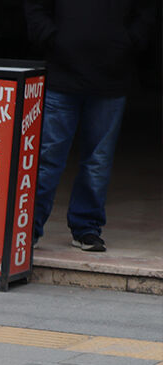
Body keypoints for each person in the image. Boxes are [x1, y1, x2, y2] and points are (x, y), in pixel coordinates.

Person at [24, 0, 157, 252]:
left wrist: (129, 42)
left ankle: (86, 228)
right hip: (62, 77)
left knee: (98, 162)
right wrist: (52, 38)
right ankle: (27, 229)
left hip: (111, 79)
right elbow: (35, 7)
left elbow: (148, 10)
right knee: (47, 159)